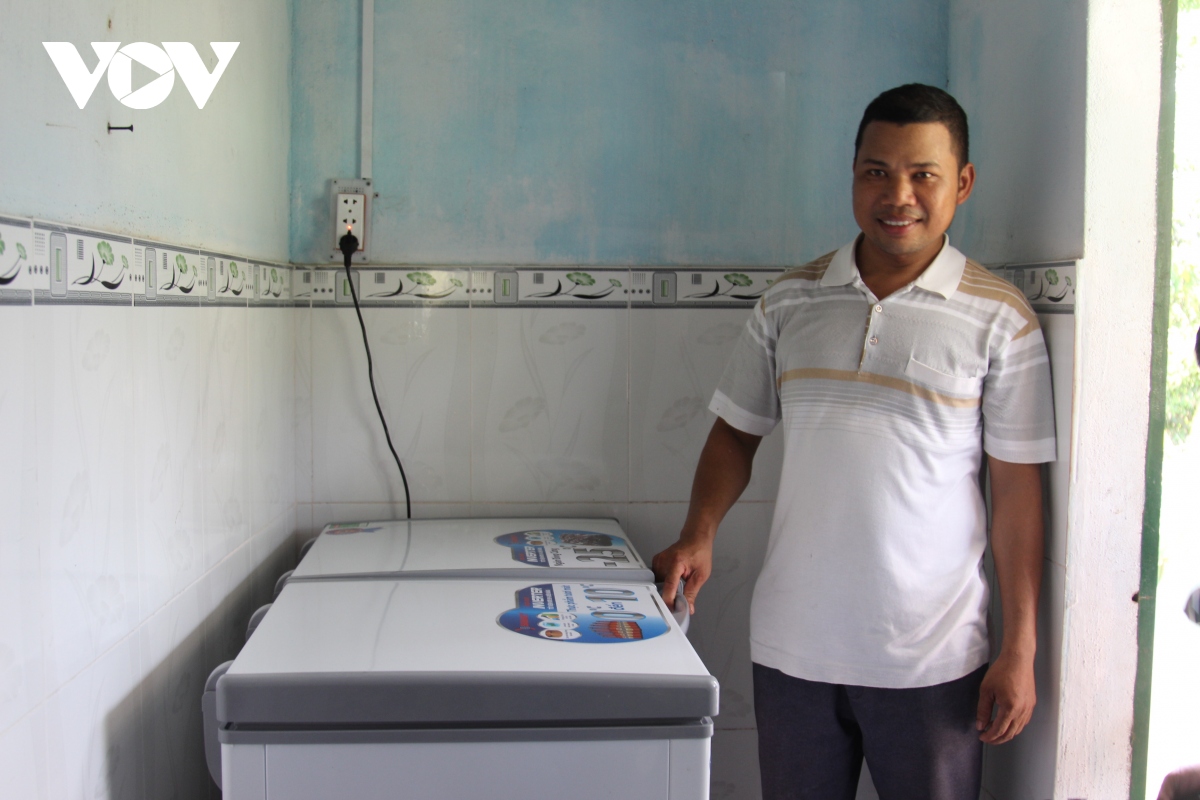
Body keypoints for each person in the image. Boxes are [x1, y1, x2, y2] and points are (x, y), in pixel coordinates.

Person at [653, 84, 1056, 800]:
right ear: (853, 176)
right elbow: (735, 433)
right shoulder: (789, 301)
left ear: (962, 183)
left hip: (932, 659)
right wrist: (699, 533)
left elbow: (1018, 494)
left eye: (923, 174)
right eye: (877, 171)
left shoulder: (1001, 319)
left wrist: (1019, 646)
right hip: (794, 647)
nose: (898, 196)